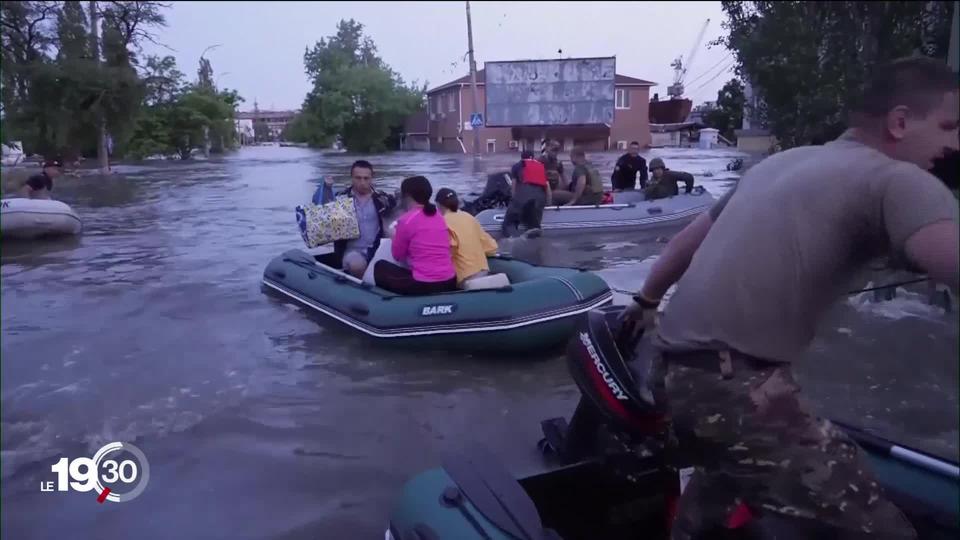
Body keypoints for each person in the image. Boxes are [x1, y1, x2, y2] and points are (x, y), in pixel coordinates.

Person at [621, 57, 959, 539]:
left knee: (722, 480)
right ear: (900, 122)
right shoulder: (900, 180)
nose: (956, 145)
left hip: (669, 370)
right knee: (879, 527)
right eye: (952, 126)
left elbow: (682, 248)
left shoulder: (780, 163)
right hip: (731, 387)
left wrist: (645, 302)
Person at [374, 176, 457, 295]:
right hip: (450, 281)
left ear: (407, 196)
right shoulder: (439, 216)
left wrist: (394, 236)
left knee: (380, 267)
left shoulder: (406, 220)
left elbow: (398, 256)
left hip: (425, 285)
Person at [313, 160, 396, 279]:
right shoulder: (340, 199)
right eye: (358, 178)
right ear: (351, 178)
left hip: (378, 249)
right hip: (351, 251)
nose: (362, 182)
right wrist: (326, 188)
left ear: (372, 178)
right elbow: (319, 209)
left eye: (366, 178)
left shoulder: (383, 199)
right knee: (357, 265)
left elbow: (400, 217)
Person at [435, 188, 499, 286]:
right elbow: (491, 248)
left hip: (465, 278)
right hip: (483, 271)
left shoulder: (442, 222)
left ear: (439, 205)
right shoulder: (469, 217)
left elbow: (447, 253)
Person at [503, 150, 551, 237]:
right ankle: (534, 233)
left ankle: (512, 238)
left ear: (521, 158)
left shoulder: (517, 166)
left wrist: (514, 202)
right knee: (534, 225)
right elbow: (547, 187)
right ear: (532, 158)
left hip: (523, 195)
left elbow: (514, 186)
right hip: (539, 197)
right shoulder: (541, 167)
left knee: (509, 223)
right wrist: (549, 203)